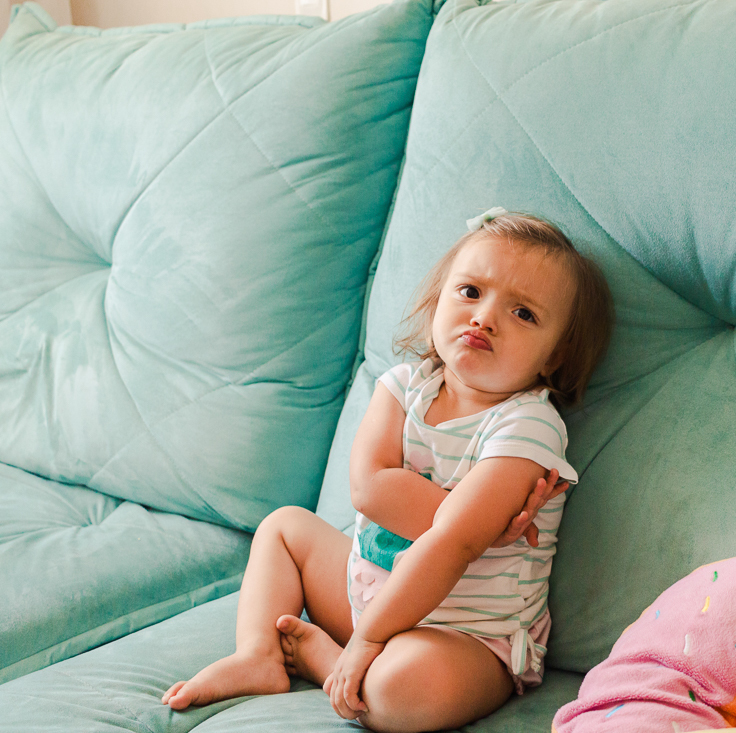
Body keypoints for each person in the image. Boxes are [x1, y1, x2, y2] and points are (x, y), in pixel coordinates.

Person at [162, 209, 614, 733]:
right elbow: (369, 488)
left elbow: (452, 546)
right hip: (366, 591)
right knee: (284, 528)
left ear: (554, 356)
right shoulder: (402, 387)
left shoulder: (529, 425)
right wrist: (474, 520)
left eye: (523, 314)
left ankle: (332, 664)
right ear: (438, 300)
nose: (485, 317)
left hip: (467, 636)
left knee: (398, 691)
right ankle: (260, 654)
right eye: (470, 292)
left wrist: (371, 638)